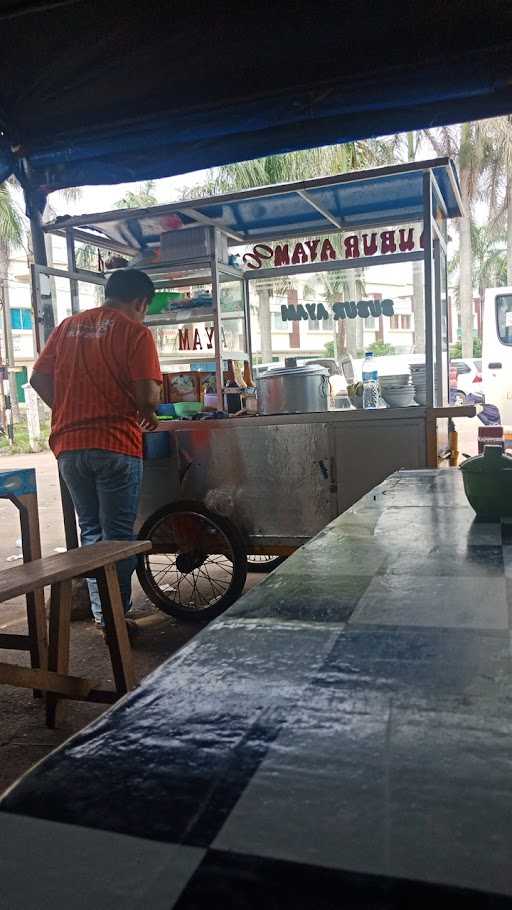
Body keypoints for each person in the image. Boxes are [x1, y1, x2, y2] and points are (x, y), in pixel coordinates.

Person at [30, 268, 162, 631]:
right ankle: (115, 622)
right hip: (115, 443)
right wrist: (149, 412)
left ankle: (106, 619)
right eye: (145, 308)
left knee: (91, 534)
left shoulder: (67, 327)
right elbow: (147, 394)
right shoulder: (134, 331)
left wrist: (69, 408)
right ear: (139, 301)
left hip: (69, 447)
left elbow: (38, 377)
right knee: (118, 538)